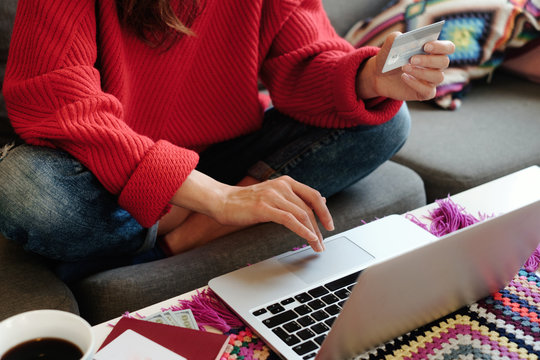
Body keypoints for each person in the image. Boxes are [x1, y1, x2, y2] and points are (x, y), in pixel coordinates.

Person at [0, 0, 454, 279]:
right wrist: (215, 197)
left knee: (387, 121)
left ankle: (173, 240)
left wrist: (369, 77)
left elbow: (303, 65)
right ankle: (214, 208)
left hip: (217, 157)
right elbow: (55, 94)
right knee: (24, 188)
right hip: (114, 169)